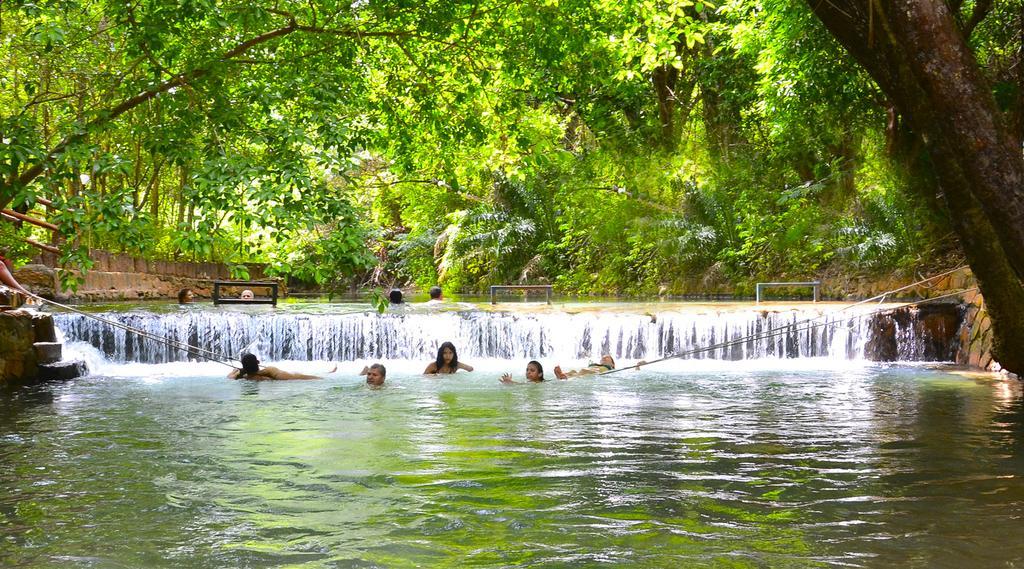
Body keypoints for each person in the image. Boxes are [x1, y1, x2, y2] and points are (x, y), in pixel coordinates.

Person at [228, 353, 334, 380]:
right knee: (312, 377)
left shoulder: (245, 377)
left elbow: (230, 378)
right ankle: (326, 374)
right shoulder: (270, 370)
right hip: (290, 378)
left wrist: (235, 372)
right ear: (258, 361)